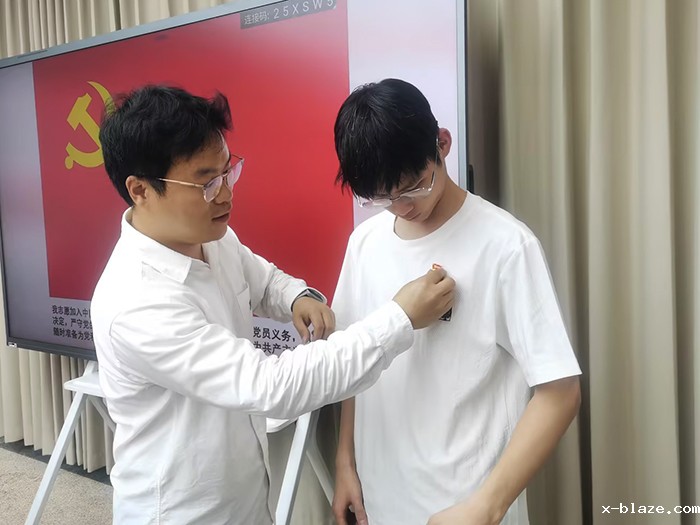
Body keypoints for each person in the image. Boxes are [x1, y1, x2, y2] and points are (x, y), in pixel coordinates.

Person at [91, 84, 455, 525]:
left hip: (245, 495)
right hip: (183, 512)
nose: (225, 193)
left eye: (228, 171)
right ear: (141, 190)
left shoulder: (211, 236)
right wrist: (399, 319)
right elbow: (271, 387)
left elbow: (262, 279)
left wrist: (296, 296)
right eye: (206, 183)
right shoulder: (135, 303)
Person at [331, 78, 582, 525]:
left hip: (467, 506)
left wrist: (488, 506)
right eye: (382, 198)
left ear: (442, 144)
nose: (402, 207)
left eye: (413, 187)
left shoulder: (506, 246)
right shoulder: (364, 244)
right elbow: (355, 360)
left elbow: (561, 392)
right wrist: (345, 460)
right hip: (380, 501)